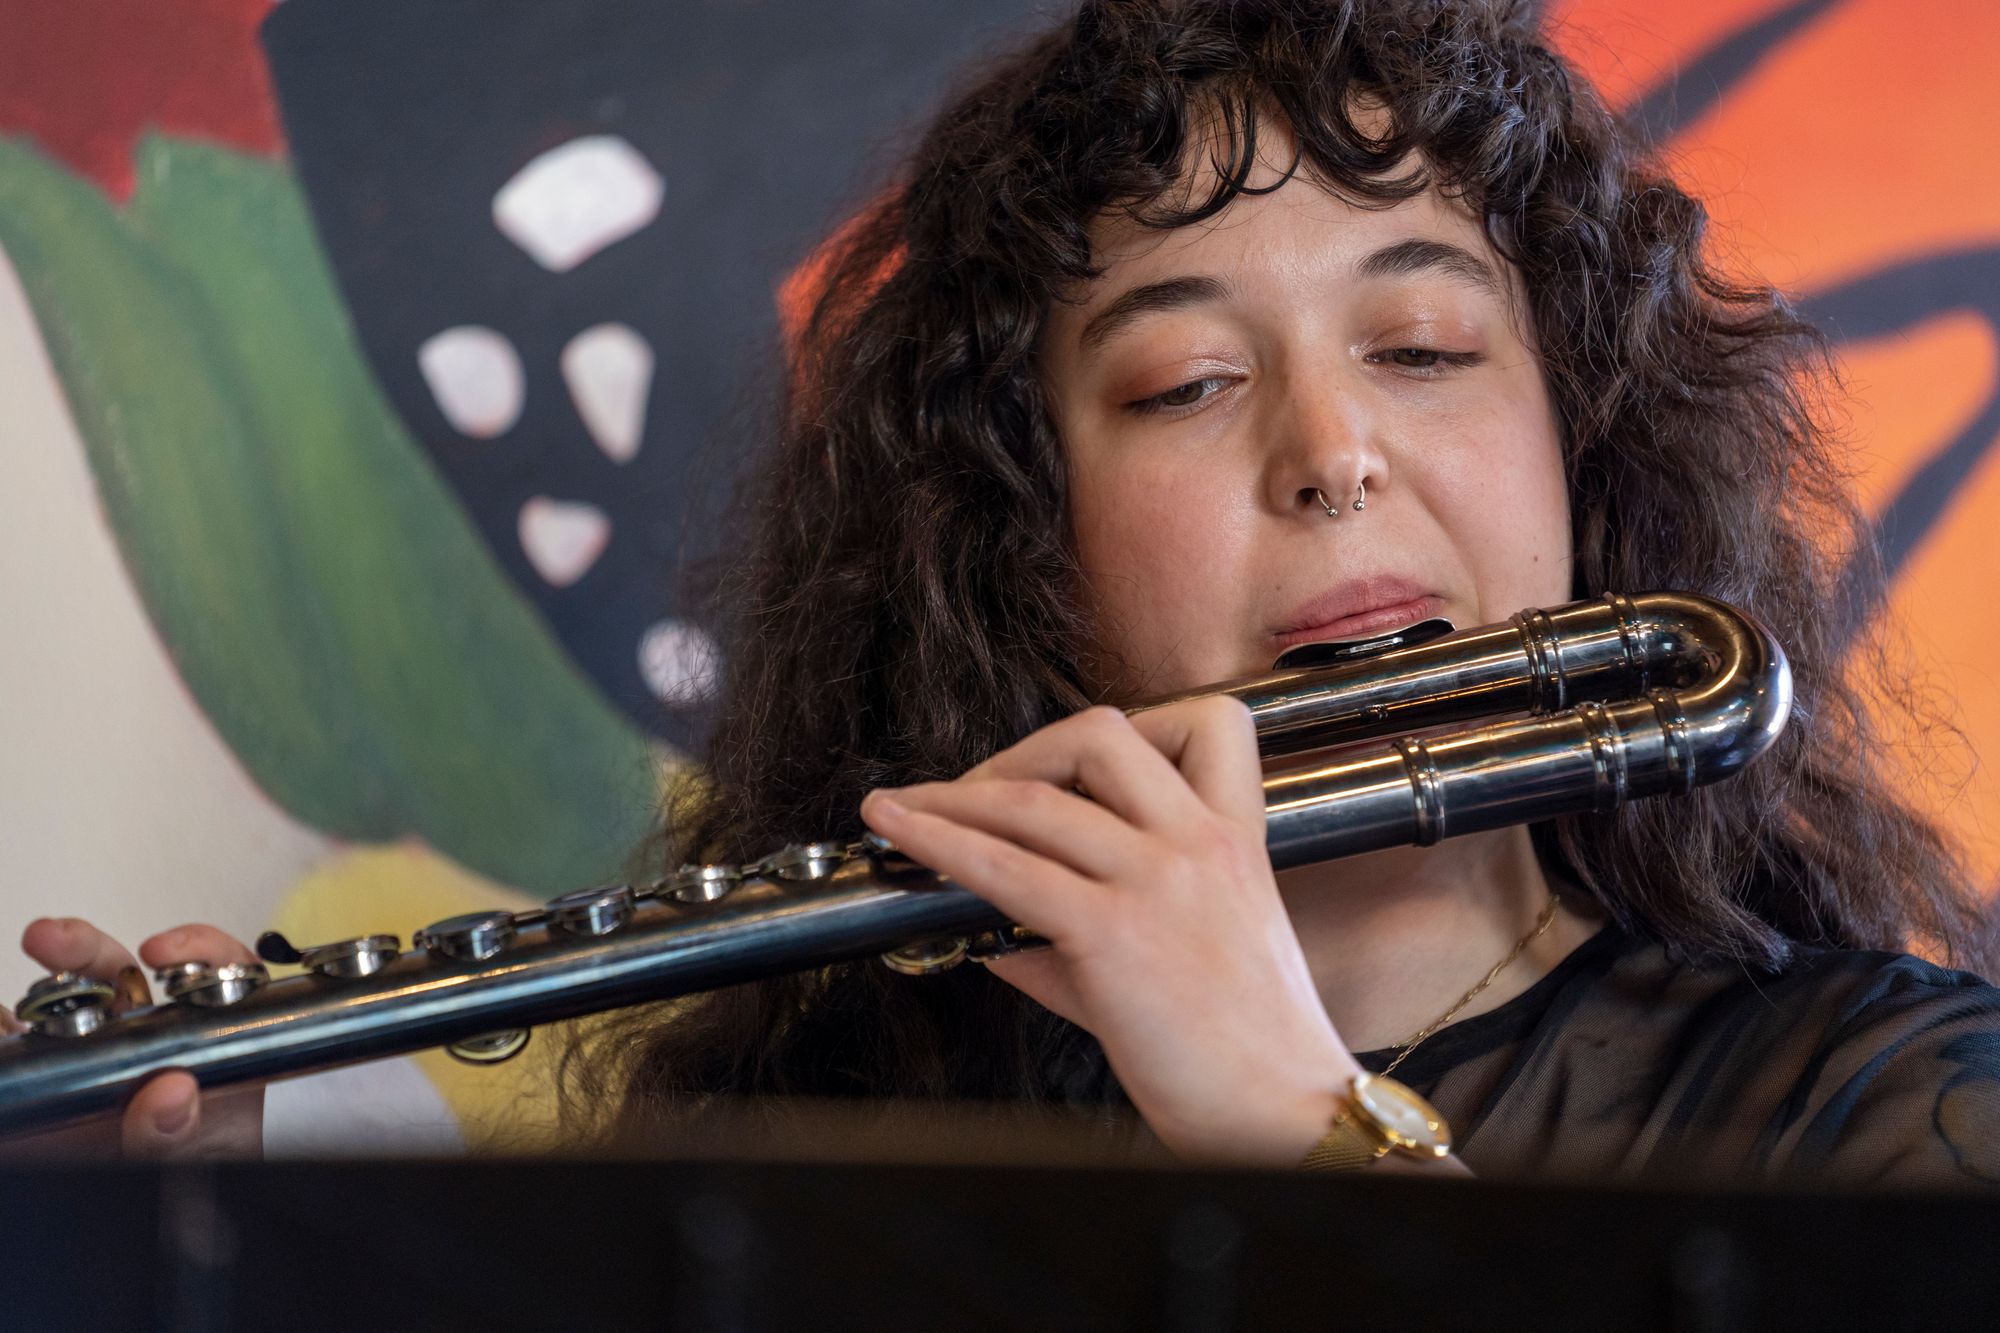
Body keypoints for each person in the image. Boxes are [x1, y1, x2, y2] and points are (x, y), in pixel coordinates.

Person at [12, 0, 1998, 1182]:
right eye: (1184, 384)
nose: (1330, 449)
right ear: (1022, 533)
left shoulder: (1886, 1108)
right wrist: (196, 1246)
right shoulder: (815, 1156)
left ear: (1585, 448)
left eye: (1420, 348)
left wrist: (1297, 1128)